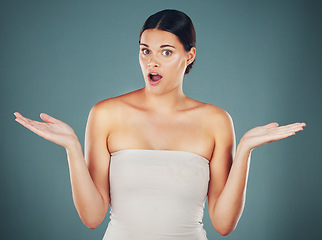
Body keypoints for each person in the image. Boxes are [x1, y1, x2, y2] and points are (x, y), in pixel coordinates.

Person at [14, 9, 306, 240]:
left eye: (166, 52)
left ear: (189, 56)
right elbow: (92, 218)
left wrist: (244, 151)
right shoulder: (106, 113)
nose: (152, 62)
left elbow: (223, 224)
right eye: (145, 51)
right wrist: (72, 148)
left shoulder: (216, 121)